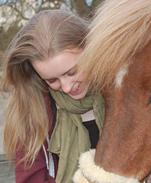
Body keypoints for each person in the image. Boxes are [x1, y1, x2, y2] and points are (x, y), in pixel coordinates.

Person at [1, 9, 104, 183]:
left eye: (72, 72)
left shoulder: (128, 93)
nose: (66, 87)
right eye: (52, 80)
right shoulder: (33, 115)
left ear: (92, 50)